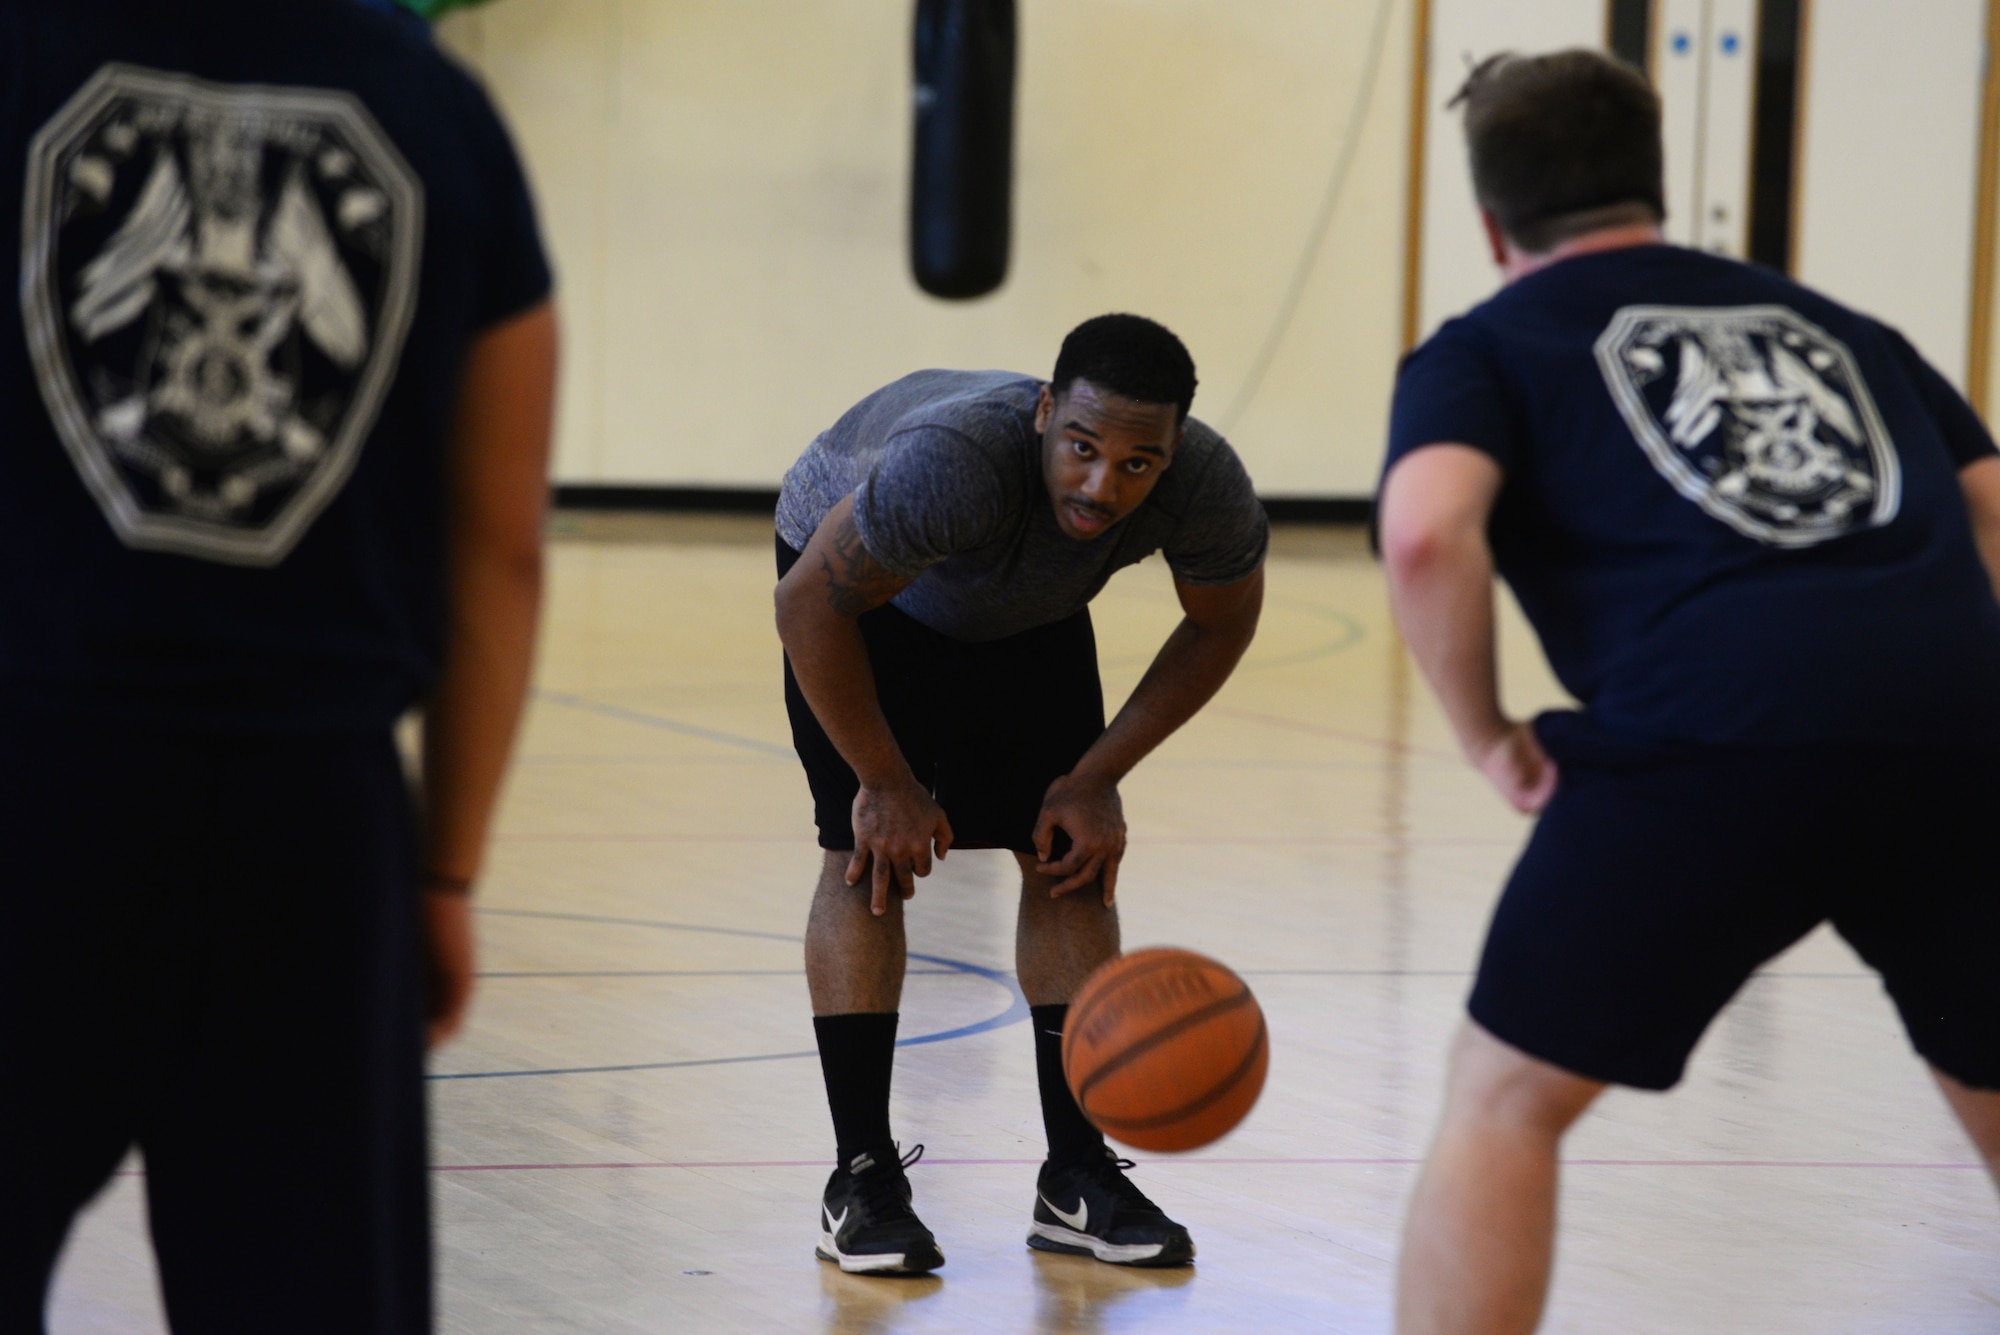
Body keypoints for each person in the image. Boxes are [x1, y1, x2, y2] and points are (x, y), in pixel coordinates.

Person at [1377, 50, 2000, 1334]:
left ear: (1491, 222)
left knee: (1505, 1098)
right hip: (1954, 726)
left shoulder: (1487, 345)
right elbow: (1992, 508)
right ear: (1650, 187)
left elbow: (1428, 531)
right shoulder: (1838, 326)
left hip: (1713, 734)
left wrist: (1489, 734)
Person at [0, 1, 556, 1329]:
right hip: (311, 829)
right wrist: (444, 867)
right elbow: (501, 543)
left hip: (32, 783)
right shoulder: (444, 117)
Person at [773, 314, 1268, 1274]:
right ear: (1045, 414)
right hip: (859, 599)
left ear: (1173, 452)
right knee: (865, 855)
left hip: (1028, 605)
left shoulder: (1206, 486)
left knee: (1069, 856)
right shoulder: (952, 464)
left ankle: (1076, 1176)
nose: (1101, 484)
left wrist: (1097, 778)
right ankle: (862, 1179)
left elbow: (1219, 628)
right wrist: (883, 781)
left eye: (1137, 464)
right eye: (1081, 448)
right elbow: (807, 606)